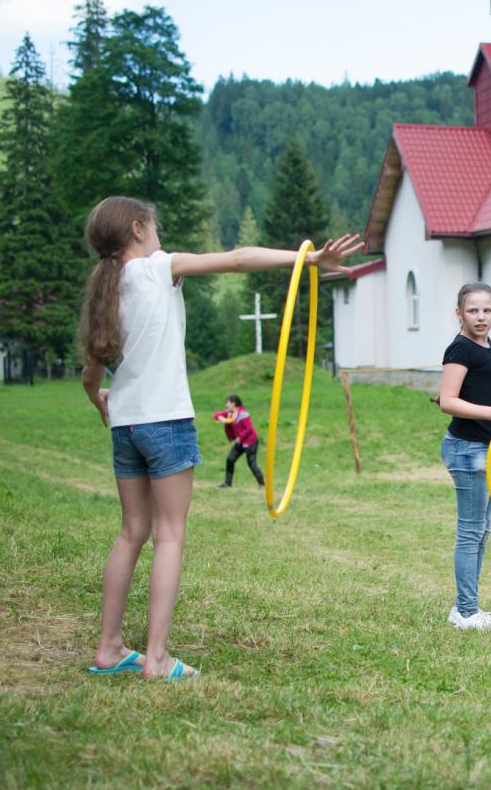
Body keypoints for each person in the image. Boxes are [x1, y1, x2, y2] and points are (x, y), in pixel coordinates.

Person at [79, 195, 362, 680]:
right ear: (138, 229)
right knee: (169, 535)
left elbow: (92, 369)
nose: (160, 236)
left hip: (126, 425)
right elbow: (236, 260)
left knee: (131, 532)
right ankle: (157, 658)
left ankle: (109, 648)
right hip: (166, 422)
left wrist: (98, 398)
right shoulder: (158, 268)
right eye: (154, 227)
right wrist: (307, 258)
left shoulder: (106, 284)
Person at [437, 283, 491, 632]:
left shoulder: (485, 344)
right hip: (468, 450)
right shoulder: (460, 349)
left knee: (482, 530)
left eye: (487, 310)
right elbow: (447, 401)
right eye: (472, 310)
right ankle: (466, 612)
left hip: (486, 448)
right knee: (471, 532)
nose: (480, 317)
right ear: (459, 314)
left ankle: (466, 606)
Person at [213, 395, 265, 489]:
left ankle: (262, 484)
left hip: (251, 442)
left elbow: (249, 429)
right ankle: (227, 484)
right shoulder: (229, 413)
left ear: (233, 403)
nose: (226, 405)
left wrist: (240, 437)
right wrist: (222, 419)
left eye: (228, 403)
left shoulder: (243, 414)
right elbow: (215, 415)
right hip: (240, 443)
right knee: (230, 460)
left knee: (251, 463)